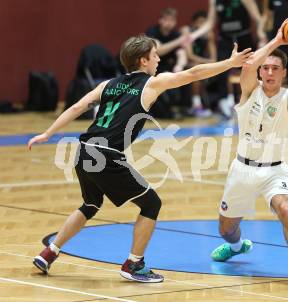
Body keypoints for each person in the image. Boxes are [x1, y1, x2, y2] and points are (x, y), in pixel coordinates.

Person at [28, 33, 252, 283]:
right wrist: (229, 64)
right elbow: (192, 74)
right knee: (151, 204)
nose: (158, 59)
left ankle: (49, 253)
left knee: (90, 205)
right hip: (107, 155)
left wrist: (48, 133)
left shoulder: (108, 84)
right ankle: (134, 263)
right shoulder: (151, 84)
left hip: (84, 150)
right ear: (143, 60)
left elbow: (76, 107)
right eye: (155, 55)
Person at [210, 23, 288, 290]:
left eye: (275, 68)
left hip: (275, 171)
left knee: (285, 208)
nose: (269, 72)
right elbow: (246, 67)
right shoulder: (249, 91)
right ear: (261, 71)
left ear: (284, 73)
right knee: (225, 229)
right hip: (242, 170)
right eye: (266, 68)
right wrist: (277, 40)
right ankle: (236, 246)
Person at [204, 0, 267, 119]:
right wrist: (192, 36)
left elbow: (258, 18)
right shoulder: (214, 1)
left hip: (244, 38)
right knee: (221, 69)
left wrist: (260, 32)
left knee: (252, 70)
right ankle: (224, 101)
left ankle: (256, 101)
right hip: (225, 40)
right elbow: (209, 23)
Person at [185, 10, 217, 118]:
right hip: (187, 65)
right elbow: (189, 56)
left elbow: (214, 58)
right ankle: (196, 105)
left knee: (227, 71)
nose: (201, 25)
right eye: (199, 22)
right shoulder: (188, 33)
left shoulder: (208, 35)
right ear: (193, 23)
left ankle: (228, 102)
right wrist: (206, 62)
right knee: (195, 68)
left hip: (202, 64)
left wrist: (210, 38)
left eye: (204, 23)